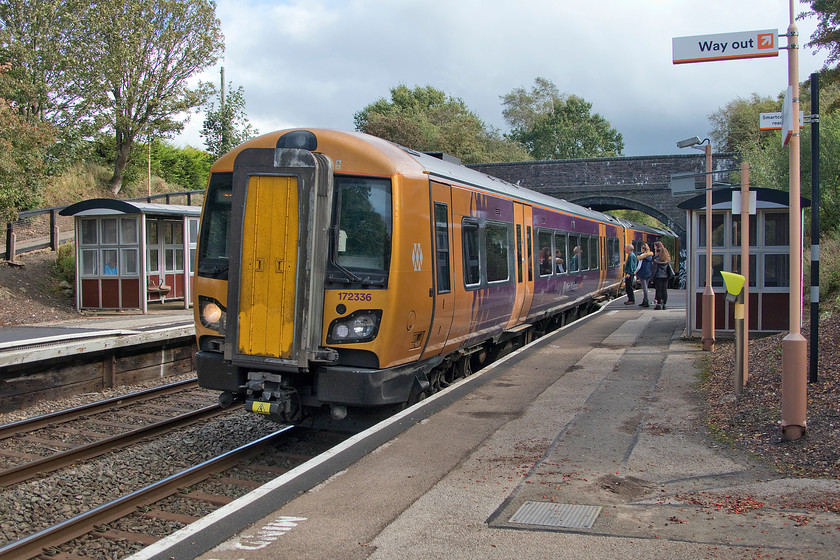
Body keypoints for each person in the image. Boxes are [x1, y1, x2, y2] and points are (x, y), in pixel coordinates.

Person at [650, 241, 672, 310]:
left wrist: (652, 279)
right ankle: (664, 304)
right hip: (665, 277)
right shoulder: (667, 260)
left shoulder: (656, 259)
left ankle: (658, 304)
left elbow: (654, 270)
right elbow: (669, 269)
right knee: (664, 290)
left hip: (658, 277)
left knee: (658, 290)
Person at [636, 243, 653, 308]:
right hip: (648, 273)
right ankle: (644, 300)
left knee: (644, 288)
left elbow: (639, 266)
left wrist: (635, 272)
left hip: (642, 273)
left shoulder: (641, 256)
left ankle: (646, 301)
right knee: (646, 287)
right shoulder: (650, 256)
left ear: (643, 249)